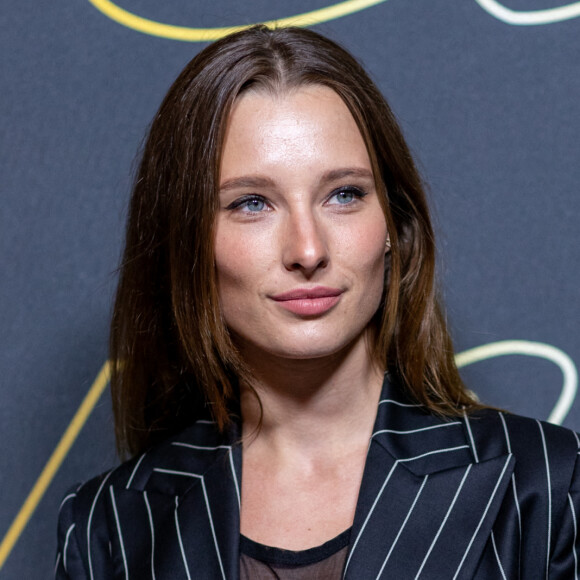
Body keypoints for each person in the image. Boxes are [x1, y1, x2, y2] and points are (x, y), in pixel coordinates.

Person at [55, 25, 580, 579]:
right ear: (186, 241)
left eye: (344, 194)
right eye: (252, 203)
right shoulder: (109, 529)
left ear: (392, 227)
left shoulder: (546, 485)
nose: (308, 250)